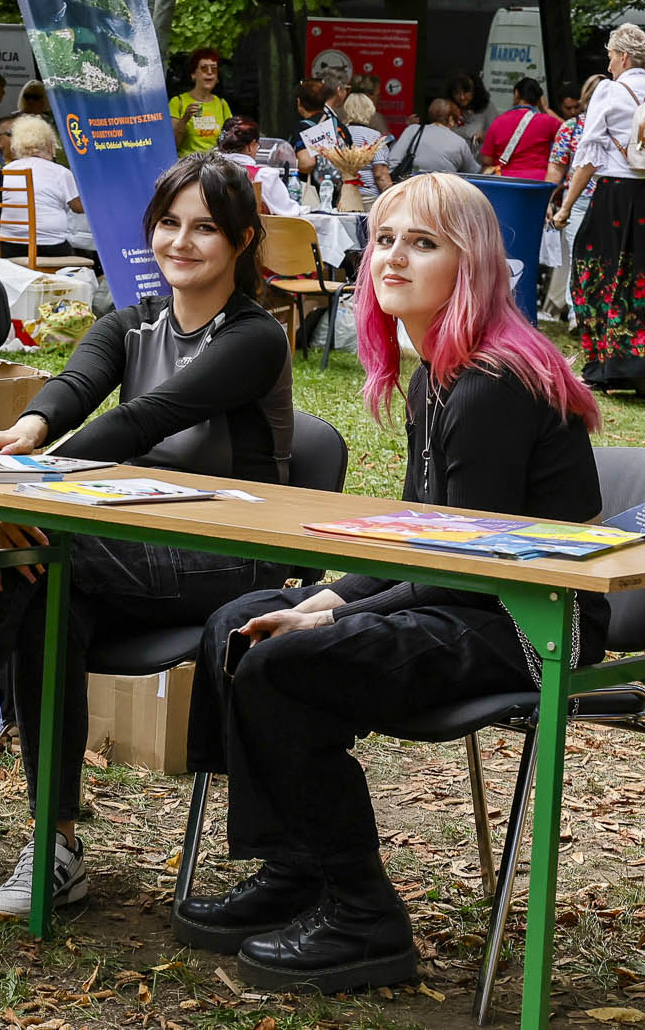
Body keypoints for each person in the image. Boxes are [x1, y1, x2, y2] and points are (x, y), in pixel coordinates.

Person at [0, 153, 297, 918]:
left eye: (205, 228)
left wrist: (33, 477)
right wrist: (29, 432)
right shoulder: (129, 322)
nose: (183, 241)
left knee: (38, 549)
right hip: (134, 548)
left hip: (233, 557)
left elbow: (146, 417)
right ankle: (57, 846)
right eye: (170, 223)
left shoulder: (256, 337)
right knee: (43, 589)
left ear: (241, 241)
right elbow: (70, 390)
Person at [177, 172, 605, 992]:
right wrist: (322, 599)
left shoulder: (491, 384)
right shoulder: (436, 377)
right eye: (383, 239)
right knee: (242, 619)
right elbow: (418, 539)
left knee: (281, 661)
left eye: (423, 242)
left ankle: (364, 916)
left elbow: (464, 569)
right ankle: (296, 868)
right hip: (466, 596)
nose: (393, 258)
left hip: (531, 624)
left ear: (471, 261)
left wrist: (321, 623)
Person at [556, 24, 645, 397]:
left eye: (611, 55)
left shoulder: (610, 92)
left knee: (598, 274)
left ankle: (606, 370)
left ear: (624, 57)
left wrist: (567, 205)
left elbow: (589, 155)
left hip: (619, 194)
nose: (609, 63)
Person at [540, 82, 597, 326]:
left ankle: (594, 311)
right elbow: (556, 167)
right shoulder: (571, 128)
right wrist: (548, 200)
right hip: (579, 201)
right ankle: (577, 313)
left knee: (598, 257)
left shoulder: (620, 127)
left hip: (613, 199)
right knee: (578, 255)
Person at [0, 116, 84, 260]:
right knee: (80, 256)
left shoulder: (5, 171)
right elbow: (79, 208)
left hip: (9, 247)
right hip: (50, 247)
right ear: (49, 145)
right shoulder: (60, 172)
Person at [376, 98, 478, 188]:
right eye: (457, 121)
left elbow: (393, 160)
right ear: (451, 119)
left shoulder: (413, 130)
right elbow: (473, 172)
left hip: (411, 190)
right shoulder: (460, 142)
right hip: (444, 194)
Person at [479, 76, 562, 179]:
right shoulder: (548, 121)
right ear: (539, 100)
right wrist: (545, 108)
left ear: (517, 93)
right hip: (538, 183)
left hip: (505, 182)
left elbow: (487, 160)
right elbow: (571, 132)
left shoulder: (498, 121)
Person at [217, 117, 302, 216]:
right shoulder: (264, 175)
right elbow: (288, 211)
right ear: (250, 146)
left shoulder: (205, 170)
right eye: (257, 146)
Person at [171, 48, 233, 154]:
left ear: (217, 77)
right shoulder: (178, 102)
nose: (209, 72)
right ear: (193, 74)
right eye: (204, 68)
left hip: (214, 167)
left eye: (213, 69)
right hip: (188, 167)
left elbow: (231, 141)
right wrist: (185, 119)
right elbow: (172, 145)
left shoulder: (222, 104)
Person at [447, 73, 494, 154]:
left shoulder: (485, 107)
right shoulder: (452, 108)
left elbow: (472, 132)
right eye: (457, 93)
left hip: (481, 158)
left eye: (466, 92)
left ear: (475, 91)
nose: (462, 97)